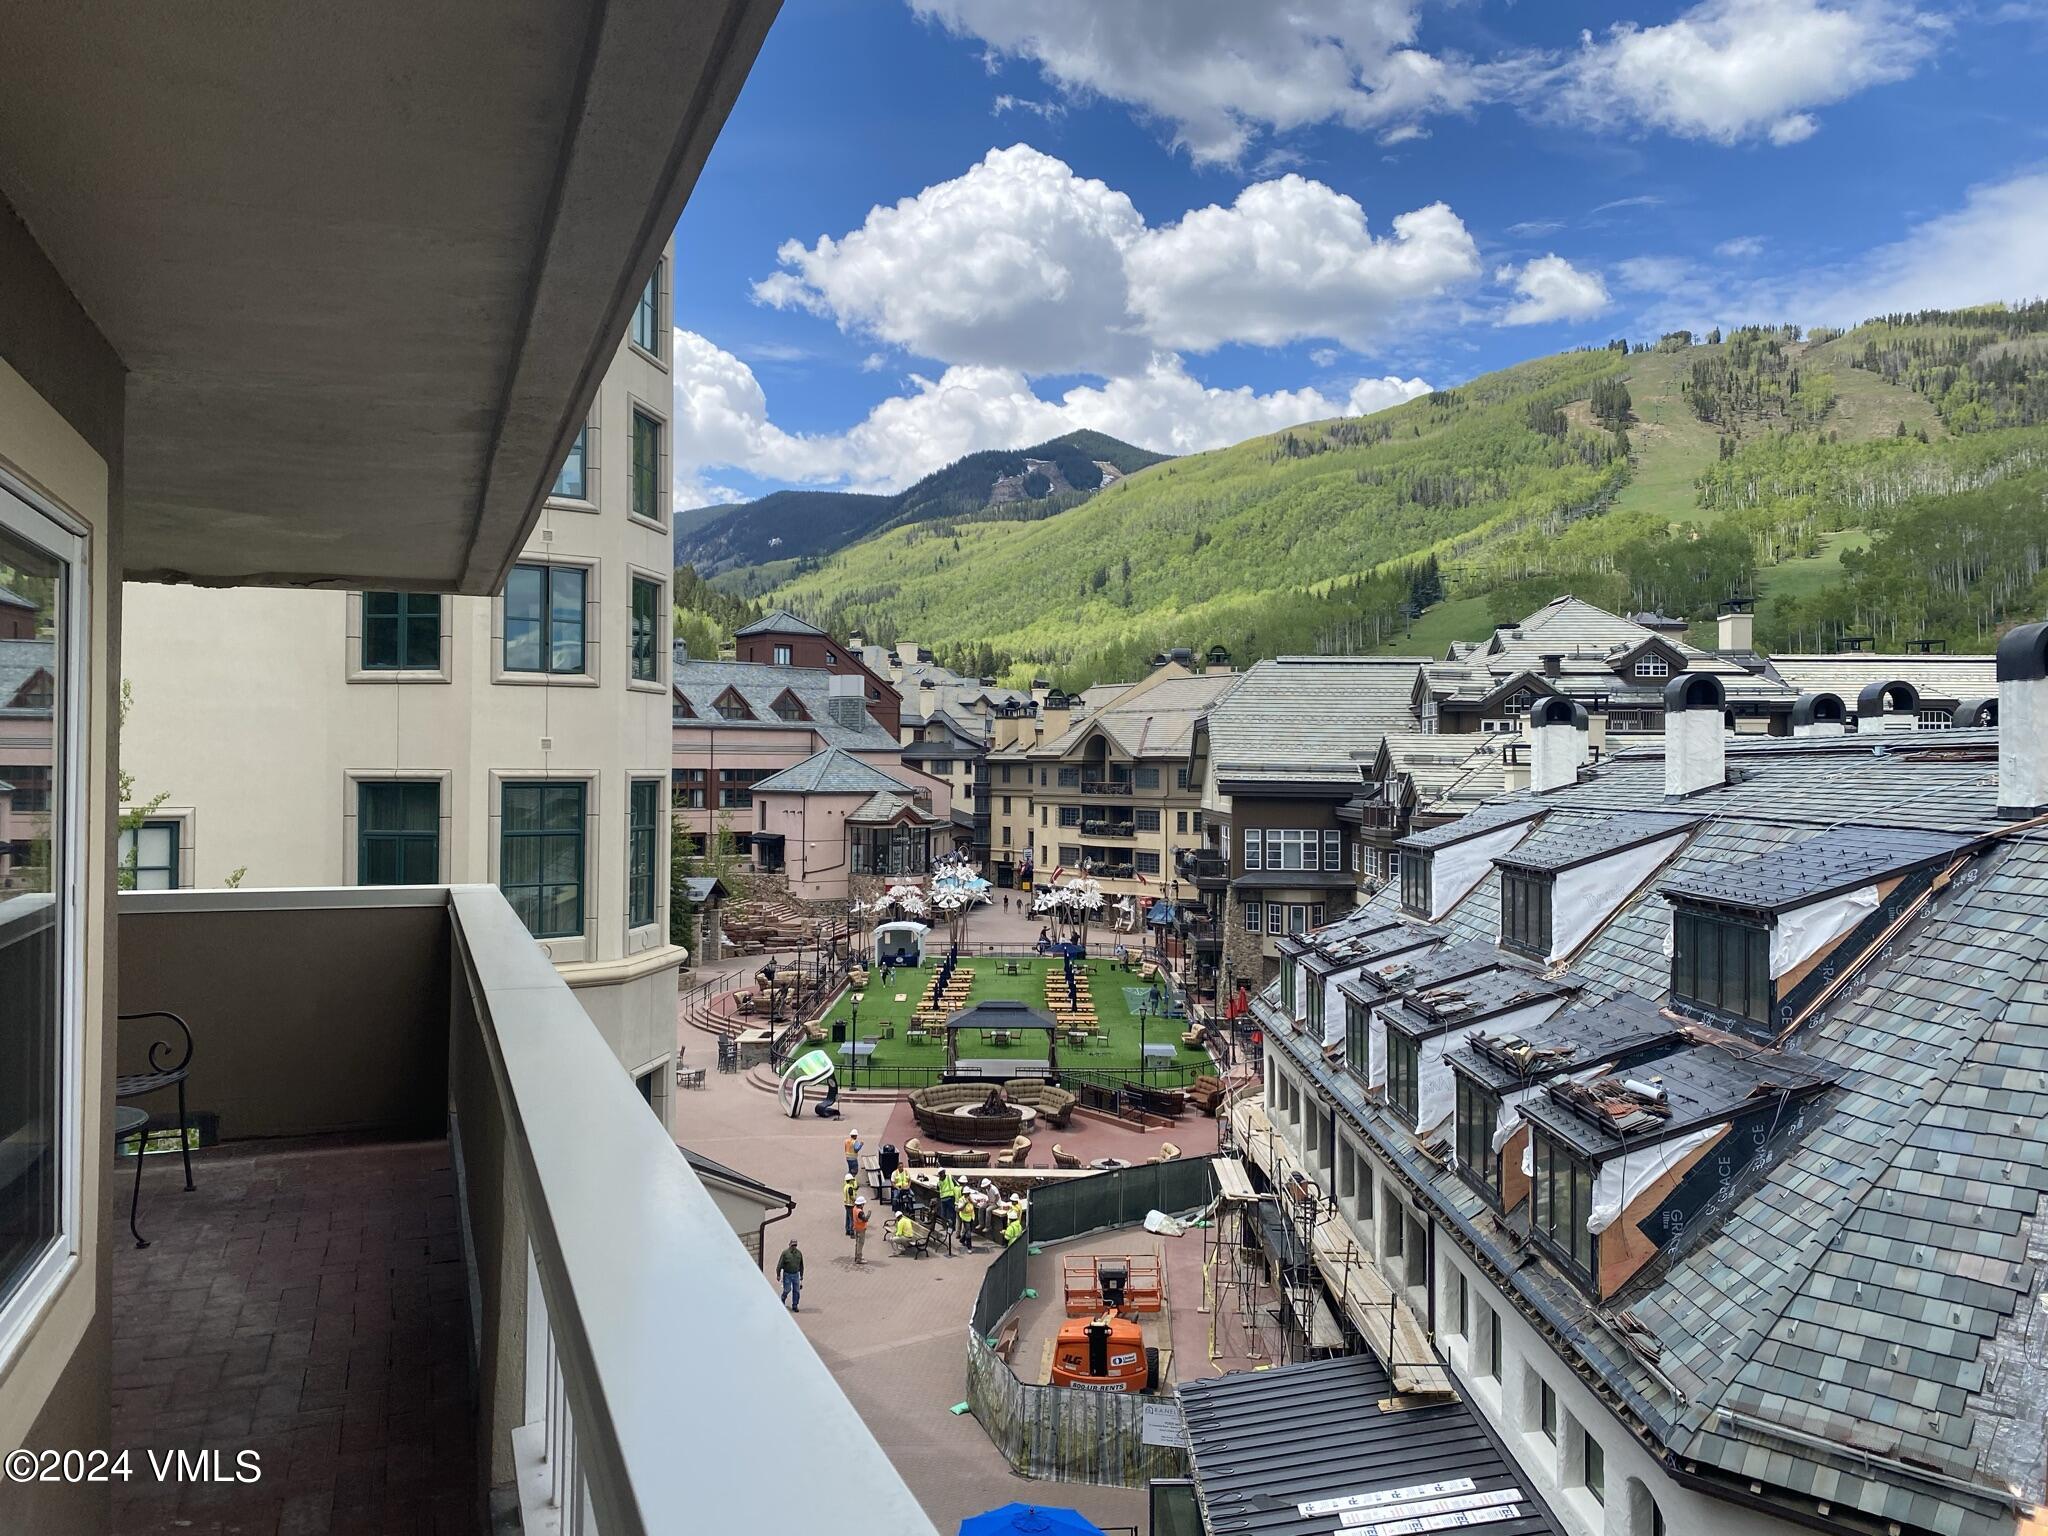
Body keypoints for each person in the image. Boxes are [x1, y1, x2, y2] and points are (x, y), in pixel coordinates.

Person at [776, 1239, 804, 1311]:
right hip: (787, 1274)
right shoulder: (785, 1253)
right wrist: (778, 1274)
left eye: (795, 1245)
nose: (794, 1247)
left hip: (796, 1275)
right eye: (792, 1245)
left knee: (797, 1291)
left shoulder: (799, 1253)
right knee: (787, 1289)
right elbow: (780, 1265)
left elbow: (801, 1265)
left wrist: (801, 1275)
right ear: (789, 1245)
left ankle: (795, 1305)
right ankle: (783, 1298)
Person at [851, 1196, 870, 1265]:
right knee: (860, 1243)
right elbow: (865, 1219)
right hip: (861, 1229)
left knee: (857, 1243)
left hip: (856, 1228)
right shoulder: (859, 1212)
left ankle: (857, 1256)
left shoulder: (854, 1208)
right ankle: (859, 1258)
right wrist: (868, 1214)